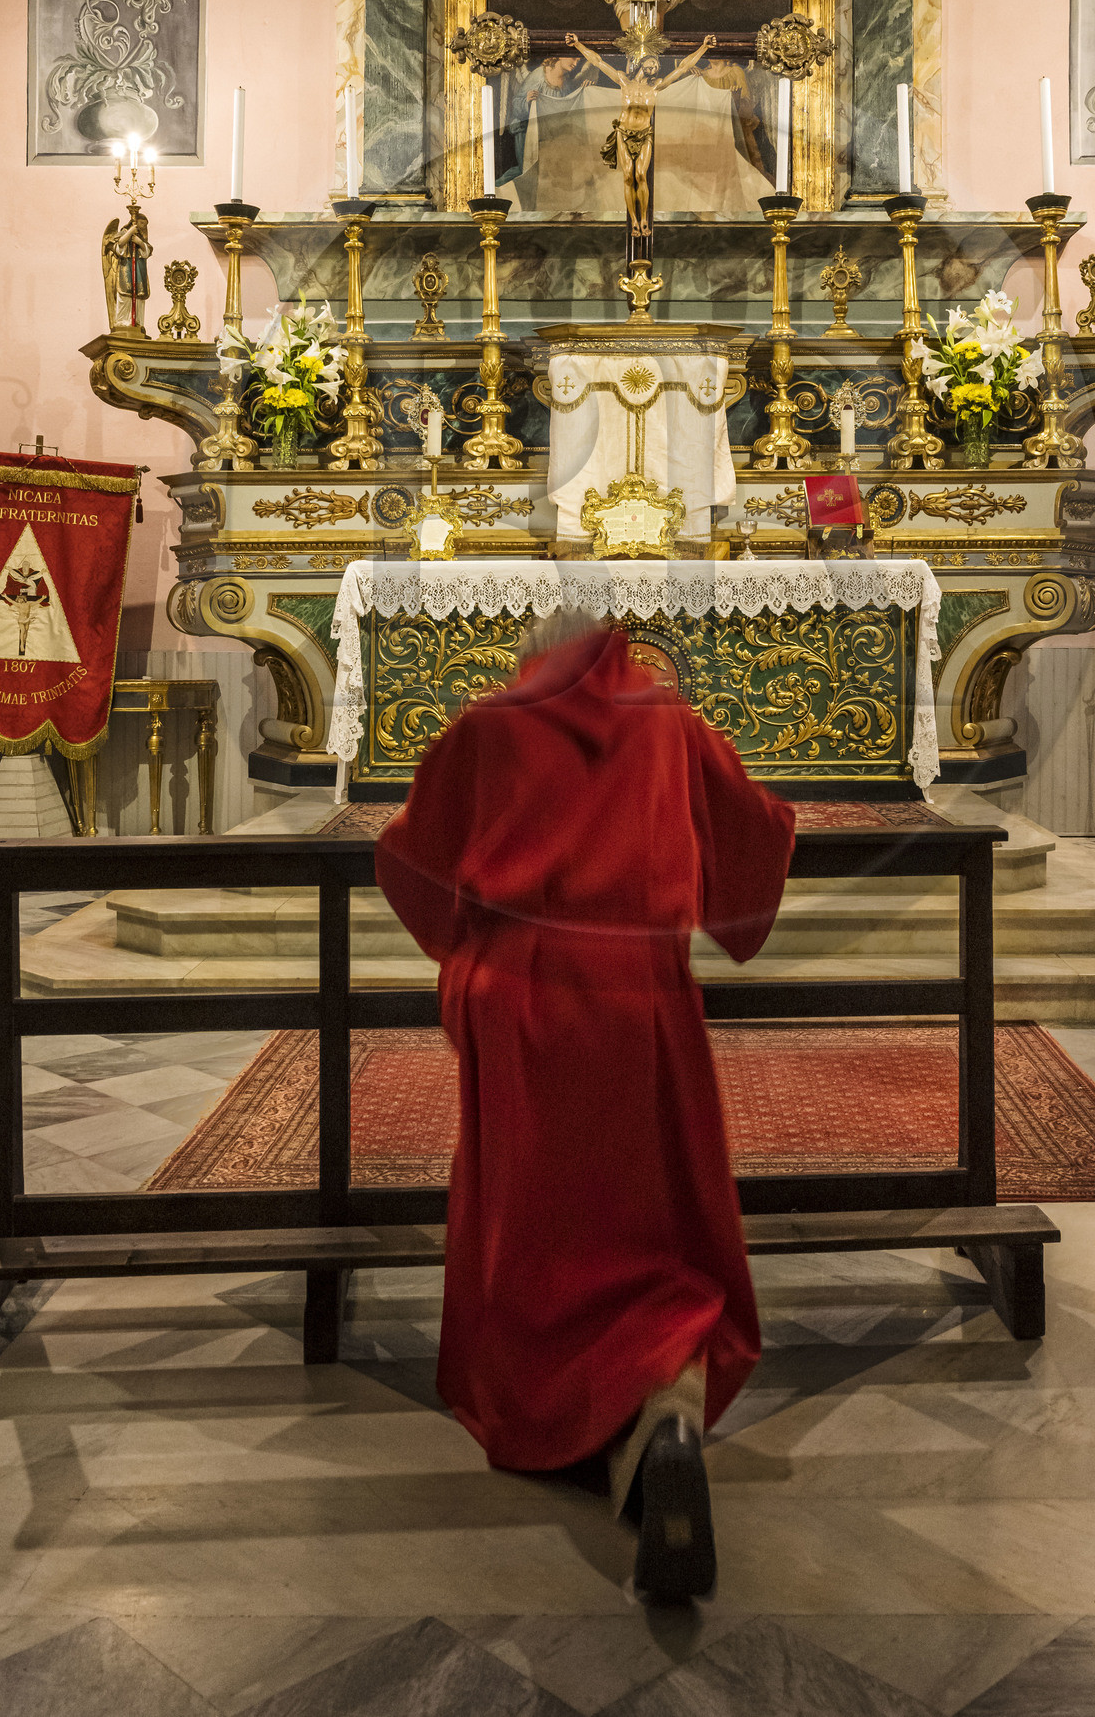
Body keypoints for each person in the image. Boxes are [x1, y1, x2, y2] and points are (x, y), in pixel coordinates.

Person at [376, 613, 796, 1602]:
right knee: (656, 1217)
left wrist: (467, 948)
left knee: (532, 1218)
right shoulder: (670, 721)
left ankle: (558, 1406)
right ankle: (663, 1410)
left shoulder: (487, 721)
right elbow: (753, 833)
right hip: (640, 994)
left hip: (518, 996)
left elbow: (411, 858)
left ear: (535, 654)